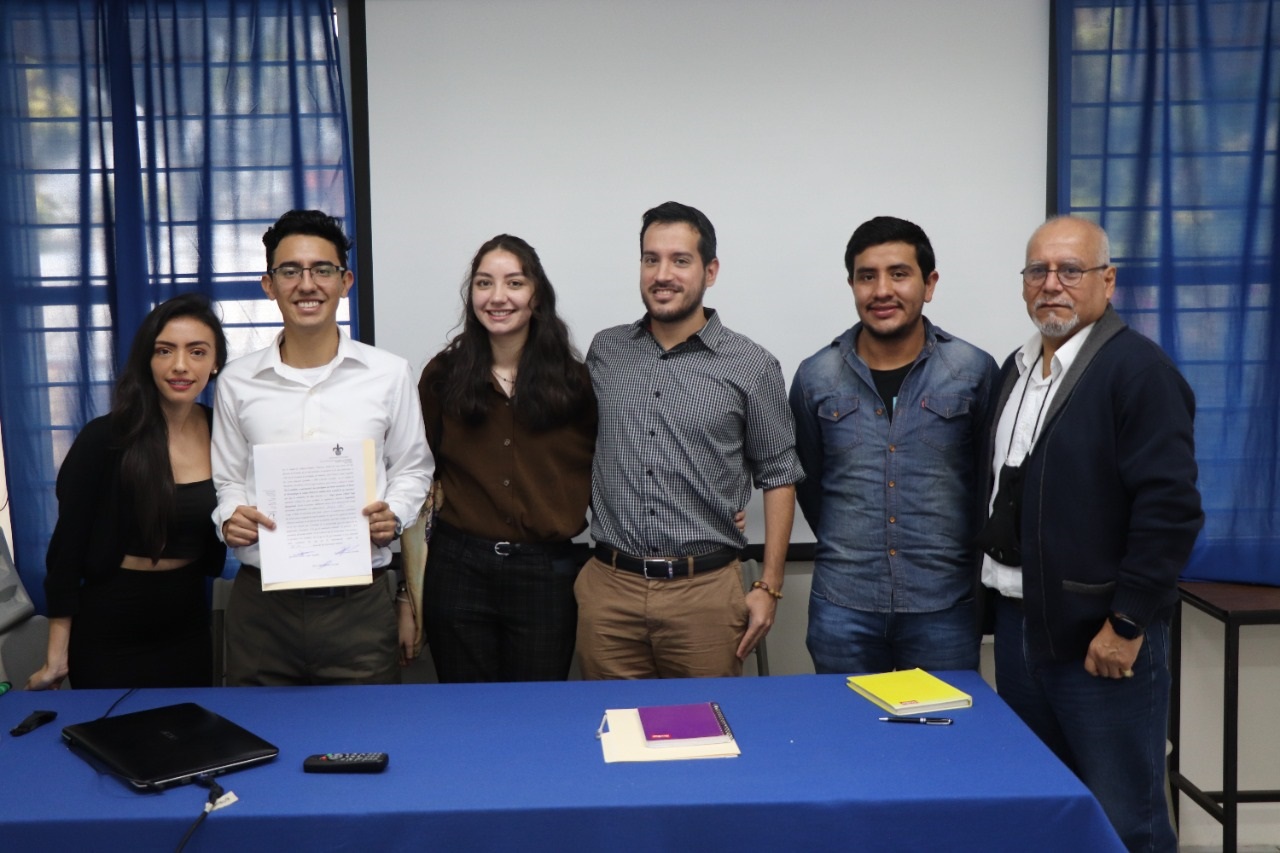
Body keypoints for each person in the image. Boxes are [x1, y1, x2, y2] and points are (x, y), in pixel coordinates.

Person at [979, 215, 1202, 852]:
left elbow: (1170, 509)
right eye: (1038, 270)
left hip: (1100, 637)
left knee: (1126, 819)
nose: (1052, 284)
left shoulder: (1137, 371)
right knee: (1045, 812)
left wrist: (1127, 623)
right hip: (1022, 630)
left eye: (1071, 271)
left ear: (1108, 281)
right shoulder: (1016, 370)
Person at [576, 200, 804, 679]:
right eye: (651, 259)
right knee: (613, 722)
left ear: (710, 271)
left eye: (680, 260)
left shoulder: (752, 365)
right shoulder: (606, 351)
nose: (663, 275)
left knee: (705, 722)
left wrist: (770, 585)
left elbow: (779, 475)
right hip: (610, 592)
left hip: (705, 594)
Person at [212, 209, 433, 686]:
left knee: (365, 729)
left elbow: (414, 467)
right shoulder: (237, 381)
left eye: (322, 270)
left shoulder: (389, 373)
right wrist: (230, 517)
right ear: (269, 285)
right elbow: (228, 479)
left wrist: (394, 514)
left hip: (359, 606)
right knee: (258, 728)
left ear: (345, 281)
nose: (306, 284)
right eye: (290, 271)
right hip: (262, 609)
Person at [790, 216, 998, 675]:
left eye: (899, 274)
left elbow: (987, 485)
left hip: (942, 606)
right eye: (867, 276)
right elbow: (810, 483)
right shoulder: (815, 376)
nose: (882, 290)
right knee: (847, 721)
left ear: (930, 284)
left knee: (944, 722)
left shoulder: (973, 370)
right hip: (843, 605)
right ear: (852, 285)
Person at [416, 235, 596, 682]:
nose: (498, 297)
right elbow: (415, 476)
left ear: (537, 295)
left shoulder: (576, 384)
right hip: (459, 569)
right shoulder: (442, 376)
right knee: (465, 709)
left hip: (546, 573)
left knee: (536, 711)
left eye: (514, 283)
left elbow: (615, 466)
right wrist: (406, 589)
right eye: (484, 283)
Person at [29, 293, 228, 690]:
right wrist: (56, 659)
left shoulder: (223, 432)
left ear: (215, 363)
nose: (180, 365)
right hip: (109, 630)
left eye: (197, 352)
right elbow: (66, 553)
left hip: (188, 625)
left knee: (190, 728)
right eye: (165, 351)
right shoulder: (104, 438)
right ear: (147, 360)